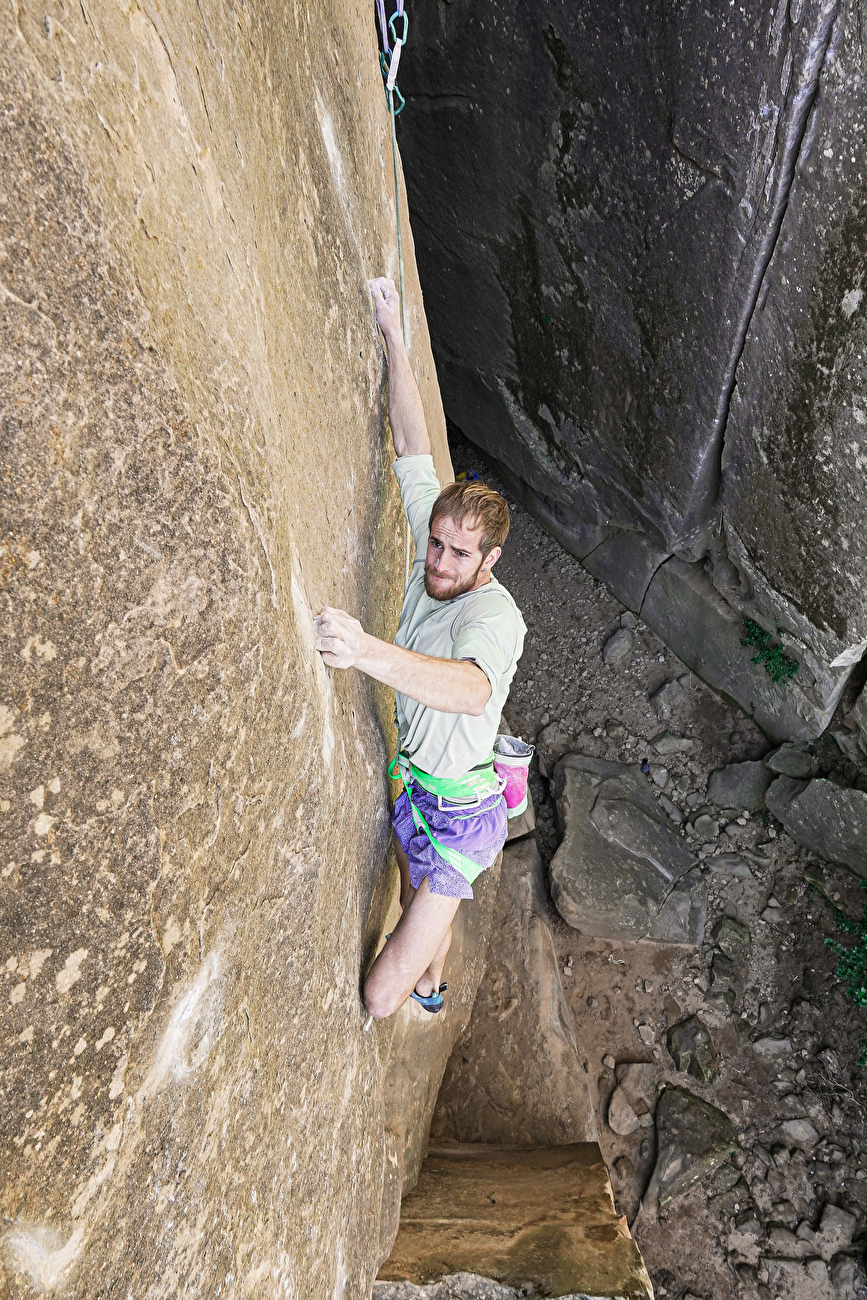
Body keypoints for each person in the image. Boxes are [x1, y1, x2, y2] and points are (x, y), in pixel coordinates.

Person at [314, 277, 525, 1020]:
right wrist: (392, 333)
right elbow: (412, 444)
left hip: (464, 819)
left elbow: (471, 689)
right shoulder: (432, 555)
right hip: (420, 785)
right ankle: (432, 970)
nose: (437, 563)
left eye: (458, 555)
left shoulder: (493, 618)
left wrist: (365, 651)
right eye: (434, 544)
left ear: (488, 561)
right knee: (411, 895)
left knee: (379, 995)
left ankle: (429, 984)